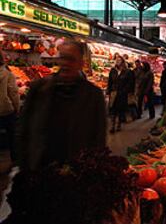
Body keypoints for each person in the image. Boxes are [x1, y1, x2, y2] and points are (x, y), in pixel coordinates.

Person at [19, 41, 107, 171]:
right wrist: (23, 164)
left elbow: (99, 136)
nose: (66, 63)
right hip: (41, 166)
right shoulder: (39, 89)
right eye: (63, 58)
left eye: (71, 59)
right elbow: (24, 128)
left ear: (81, 64)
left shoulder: (94, 95)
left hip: (77, 170)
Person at [0, 50, 19, 164]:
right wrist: (16, 108)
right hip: (6, 110)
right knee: (12, 137)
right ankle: (14, 161)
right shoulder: (8, 74)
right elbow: (14, 93)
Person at [107, 56, 133, 133]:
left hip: (122, 94)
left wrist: (125, 91)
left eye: (119, 60)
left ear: (122, 61)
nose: (117, 61)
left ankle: (118, 124)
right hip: (114, 92)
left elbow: (130, 83)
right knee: (113, 109)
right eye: (116, 60)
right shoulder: (113, 70)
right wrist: (109, 90)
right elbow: (110, 81)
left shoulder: (128, 71)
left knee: (120, 110)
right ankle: (112, 126)